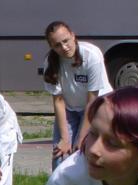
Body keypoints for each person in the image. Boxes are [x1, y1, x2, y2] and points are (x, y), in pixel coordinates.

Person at [43, 21, 112, 169]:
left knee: (85, 152)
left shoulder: (91, 56)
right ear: (51, 47)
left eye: (66, 41)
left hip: (97, 107)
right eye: (57, 45)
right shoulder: (50, 63)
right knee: (60, 154)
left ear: (73, 36)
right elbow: (58, 101)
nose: (64, 47)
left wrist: (81, 139)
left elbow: (92, 101)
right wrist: (64, 139)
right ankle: (59, 183)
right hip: (69, 108)